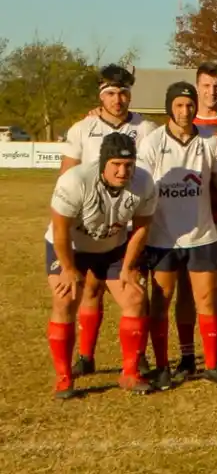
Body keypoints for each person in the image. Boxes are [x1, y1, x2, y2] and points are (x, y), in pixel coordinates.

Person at [56, 64, 160, 377]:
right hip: (90, 222)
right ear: (102, 96)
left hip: (129, 222)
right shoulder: (82, 129)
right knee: (90, 289)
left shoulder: (147, 129)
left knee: (134, 290)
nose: (118, 99)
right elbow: (67, 173)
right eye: (111, 93)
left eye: (124, 93)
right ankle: (86, 356)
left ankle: (137, 357)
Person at [45, 133, 158, 398]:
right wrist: (69, 269)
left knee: (135, 297)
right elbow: (60, 230)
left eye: (128, 165)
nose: (123, 171)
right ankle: (64, 378)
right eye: (116, 164)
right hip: (70, 247)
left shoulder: (143, 182)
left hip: (112, 248)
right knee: (65, 300)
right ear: (103, 162)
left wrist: (129, 267)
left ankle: (130, 372)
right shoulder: (74, 181)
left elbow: (142, 228)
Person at [136, 82, 217, 389]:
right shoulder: (152, 142)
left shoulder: (209, 140)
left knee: (206, 299)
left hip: (202, 235)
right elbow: (142, 189)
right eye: (178, 105)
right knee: (161, 301)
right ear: (169, 108)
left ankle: (213, 365)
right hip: (163, 237)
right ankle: (164, 364)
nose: (185, 110)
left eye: (189, 105)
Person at [181, 61, 217, 379]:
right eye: (206, 85)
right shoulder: (182, 119)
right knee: (188, 291)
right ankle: (187, 356)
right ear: (197, 85)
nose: (211, 91)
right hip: (187, 223)